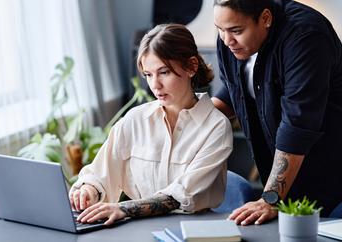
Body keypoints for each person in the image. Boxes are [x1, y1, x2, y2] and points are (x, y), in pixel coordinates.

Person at [212, 0, 342, 225]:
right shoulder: (230, 41)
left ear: (265, 18)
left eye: (236, 30)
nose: (227, 40)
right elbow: (234, 90)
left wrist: (270, 199)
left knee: (331, 225)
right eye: (220, 30)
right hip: (298, 151)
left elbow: (297, 123)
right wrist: (190, 121)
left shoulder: (306, 37)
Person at [69, 23, 233, 225]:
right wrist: (89, 190)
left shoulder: (216, 127)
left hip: (193, 232)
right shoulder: (135, 120)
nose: (155, 85)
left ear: (191, 66)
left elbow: (180, 195)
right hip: (139, 229)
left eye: (164, 72)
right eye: (148, 74)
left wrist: (123, 208)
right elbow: (100, 173)